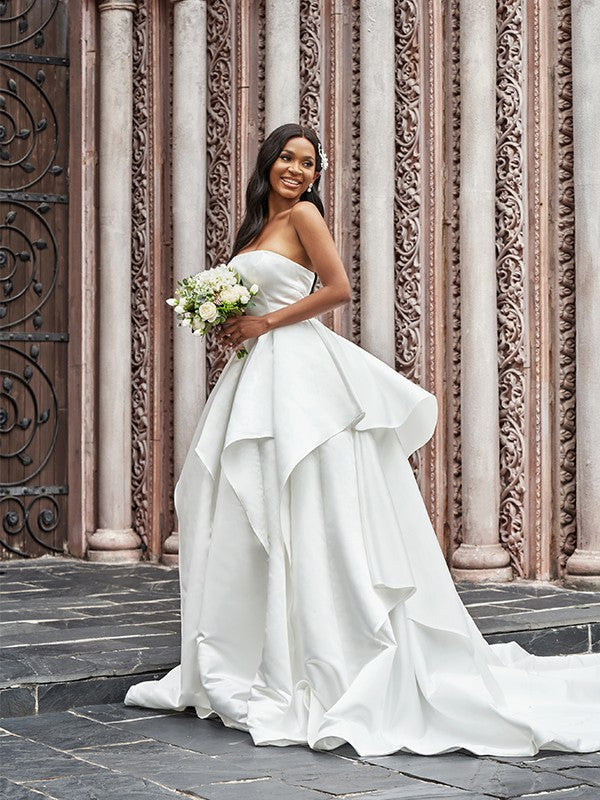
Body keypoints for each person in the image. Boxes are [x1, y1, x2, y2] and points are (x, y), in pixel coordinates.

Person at [125, 123, 600, 757]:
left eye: (309, 164)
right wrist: (226, 322)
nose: (297, 170)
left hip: (299, 371)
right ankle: (263, 646)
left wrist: (263, 320)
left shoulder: (304, 218)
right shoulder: (255, 230)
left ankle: (331, 649)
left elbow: (337, 289)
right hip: (258, 372)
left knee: (310, 498)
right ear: (267, 162)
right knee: (251, 501)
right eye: (288, 159)